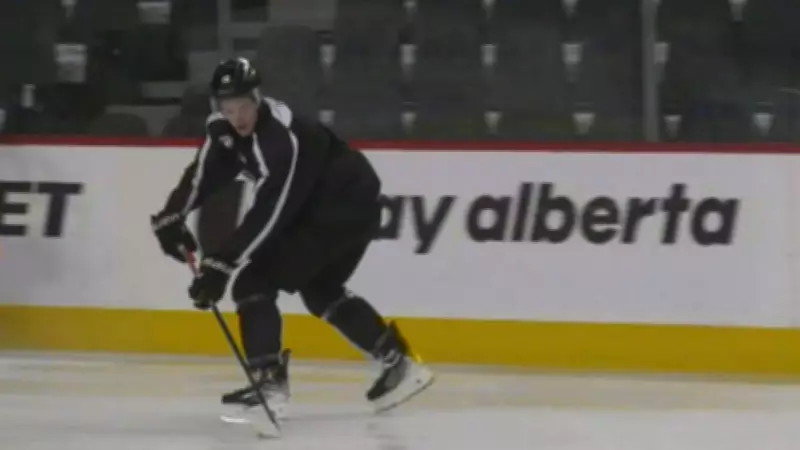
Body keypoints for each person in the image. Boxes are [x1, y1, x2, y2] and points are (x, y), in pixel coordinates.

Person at [149, 57, 434, 419]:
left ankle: (269, 382)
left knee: (253, 282)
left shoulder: (279, 140)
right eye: (228, 108)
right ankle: (399, 363)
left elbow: (272, 212)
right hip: (341, 205)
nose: (238, 117)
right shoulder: (222, 129)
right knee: (320, 289)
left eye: (244, 106)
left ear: (258, 98)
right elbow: (202, 175)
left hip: (339, 208)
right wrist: (171, 216)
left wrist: (222, 264)